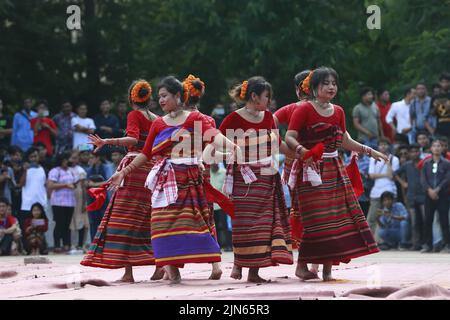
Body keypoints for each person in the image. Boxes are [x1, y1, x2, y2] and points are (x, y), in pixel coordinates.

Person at [107, 76, 237, 284]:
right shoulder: (158, 123)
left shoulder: (194, 119)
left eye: (165, 96)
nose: (160, 100)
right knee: (160, 225)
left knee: (192, 224)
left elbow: (214, 136)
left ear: (178, 96)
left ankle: (206, 263)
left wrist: (232, 147)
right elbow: (146, 153)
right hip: (163, 180)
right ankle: (172, 271)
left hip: (188, 179)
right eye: (159, 97)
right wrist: (123, 172)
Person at [285, 67, 386, 281]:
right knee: (315, 220)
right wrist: (302, 151)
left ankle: (328, 271)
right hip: (310, 171)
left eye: (334, 83)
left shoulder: (338, 111)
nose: (331, 87)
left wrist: (370, 151)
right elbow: (290, 137)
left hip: (334, 169)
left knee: (335, 220)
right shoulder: (303, 110)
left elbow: (344, 141)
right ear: (313, 88)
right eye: (325, 83)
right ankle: (302, 266)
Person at [81, 80, 160, 282]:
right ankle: (160, 264)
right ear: (149, 98)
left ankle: (128, 273)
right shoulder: (157, 119)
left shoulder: (134, 115)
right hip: (152, 169)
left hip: (133, 170)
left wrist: (107, 141)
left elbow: (133, 139)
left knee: (124, 219)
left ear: (131, 98)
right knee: (147, 218)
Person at [420, 139, 450, 253]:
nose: (437, 148)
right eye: (434, 146)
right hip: (429, 196)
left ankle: (447, 244)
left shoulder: (447, 163)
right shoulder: (426, 163)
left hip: (442, 195)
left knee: (444, 220)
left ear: (442, 149)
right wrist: (429, 190)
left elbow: (447, 179)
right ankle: (428, 244)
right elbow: (423, 179)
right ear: (431, 149)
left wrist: (437, 190)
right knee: (428, 220)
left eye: (439, 146)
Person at [395, 144, 426, 250]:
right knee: (414, 222)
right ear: (409, 153)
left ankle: (426, 243)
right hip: (411, 196)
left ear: (420, 152)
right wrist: (403, 183)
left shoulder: (424, 163)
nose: (414, 153)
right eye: (412, 151)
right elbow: (395, 173)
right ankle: (416, 244)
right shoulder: (407, 164)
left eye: (416, 151)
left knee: (425, 220)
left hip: (423, 195)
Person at [367, 138, 400, 238]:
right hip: (376, 192)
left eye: (385, 144)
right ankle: (369, 240)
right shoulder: (373, 159)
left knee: (388, 217)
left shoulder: (394, 159)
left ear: (388, 146)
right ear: (378, 146)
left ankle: (387, 241)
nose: (383, 146)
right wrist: (384, 174)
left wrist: (388, 163)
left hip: (389, 191)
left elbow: (391, 175)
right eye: (381, 145)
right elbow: (371, 175)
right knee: (372, 217)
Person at [47, 152, 78, 253]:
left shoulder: (71, 171)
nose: (66, 162)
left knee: (67, 224)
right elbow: (51, 185)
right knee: (59, 224)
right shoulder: (55, 171)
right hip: (58, 202)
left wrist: (74, 185)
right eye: (64, 160)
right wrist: (65, 185)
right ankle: (57, 245)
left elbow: (74, 183)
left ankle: (66, 245)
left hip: (70, 202)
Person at [18, 147, 47, 236]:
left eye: (35, 156)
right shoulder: (24, 169)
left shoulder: (43, 169)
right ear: (28, 158)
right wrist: (25, 170)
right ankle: (27, 248)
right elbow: (21, 184)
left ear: (39, 157)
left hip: (40, 204)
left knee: (40, 228)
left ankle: (38, 248)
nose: (34, 158)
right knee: (27, 228)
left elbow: (44, 185)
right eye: (31, 157)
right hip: (27, 205)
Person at [68, 151, 89, 252]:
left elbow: (84, 188)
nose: (73, 160)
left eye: (75, 158)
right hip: (68, 197)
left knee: (81, 220)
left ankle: (81, 245)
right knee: (71, 221)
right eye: (71, 158)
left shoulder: (81, 170)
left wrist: (84, 203)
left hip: (79, 197)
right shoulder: (65, 170)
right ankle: (72, 245)